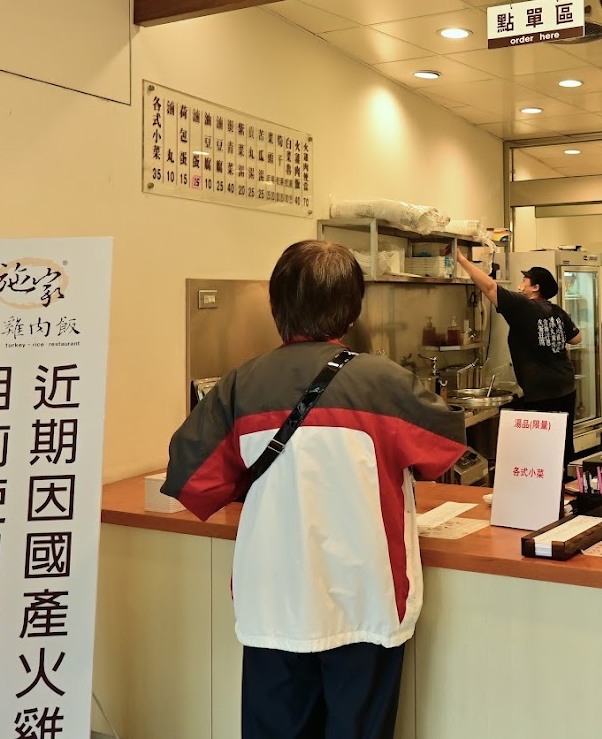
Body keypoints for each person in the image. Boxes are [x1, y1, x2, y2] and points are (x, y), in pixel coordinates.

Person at [163, 240, 466, 739]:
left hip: (273, 603)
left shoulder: (239, 385)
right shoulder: (384, 383)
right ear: (352, 309)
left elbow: (193, 480)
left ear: (276, 305)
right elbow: (446, 448)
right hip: (367, 601)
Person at [455, 250, 582, 461]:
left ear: (535, 287)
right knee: (562, 444)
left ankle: (547, 480)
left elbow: (489, 287)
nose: (521, 284)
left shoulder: (523, 306)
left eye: (525, 280)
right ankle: (566, 479)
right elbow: (576, 338)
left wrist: (461, 259)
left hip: (541, 391)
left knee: (541, 449)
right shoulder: (557, 311)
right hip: (565, 386)